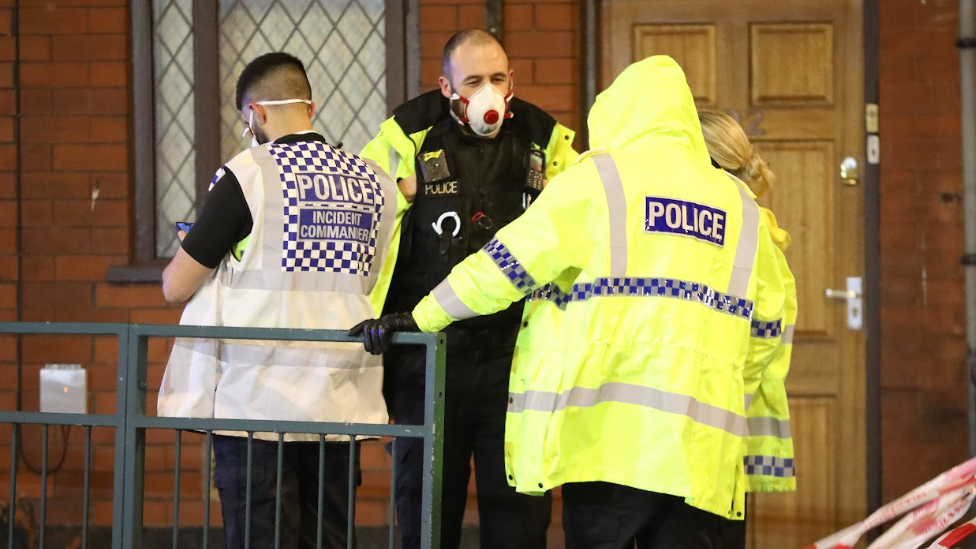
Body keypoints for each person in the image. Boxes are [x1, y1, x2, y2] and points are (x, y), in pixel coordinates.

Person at [351, 55, 795, 549]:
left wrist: (421, 316)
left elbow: (502, 268)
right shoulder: (743, 209)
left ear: (619, 114)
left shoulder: (600, 182)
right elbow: (768, 333)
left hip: (606, 448)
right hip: (705, 461)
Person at [158, 52, 399, 549]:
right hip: (339, 403)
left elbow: (175, 286)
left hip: (257, 403)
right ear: (311, 107)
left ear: (256, 115)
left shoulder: (247, 174)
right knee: (329, 536)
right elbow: (368, 277)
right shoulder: (375, 182)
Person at [357, 28, 577, 549]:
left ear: (512, 81)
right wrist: (399, 199)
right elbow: (364, 230)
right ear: (445, 85)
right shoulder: (405, 140)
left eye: (498, 79)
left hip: (516, 361)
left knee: (520, 521)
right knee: (426, 516)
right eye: (473, 80)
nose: (488, 93)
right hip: (428, 360)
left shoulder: (546, 144)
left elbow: (577, 234)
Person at [698, 110, 798, 549]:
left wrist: (722, 391)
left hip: (713, 422)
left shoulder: (737, 224)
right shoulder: (750, 221)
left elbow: (764, 332)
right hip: (726, 422)